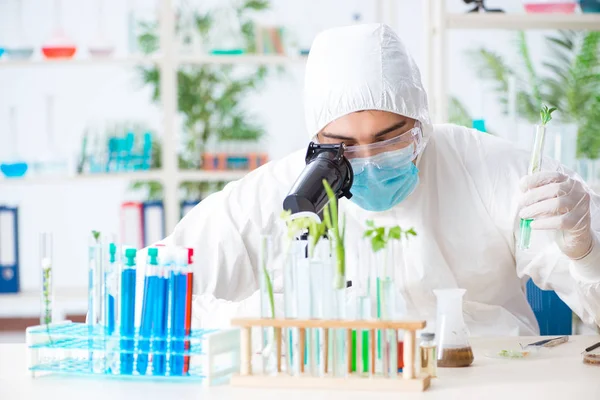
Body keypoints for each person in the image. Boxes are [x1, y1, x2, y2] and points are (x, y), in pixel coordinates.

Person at [159, 23, 600, 335]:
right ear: (316, 138)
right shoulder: (280, 190)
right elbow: (159, 284)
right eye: (343, 146)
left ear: (422, 120)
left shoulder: (487, 166)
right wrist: (258, 315)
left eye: (390, 140)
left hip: (482, 378)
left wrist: (584, 248)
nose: (367, 160)